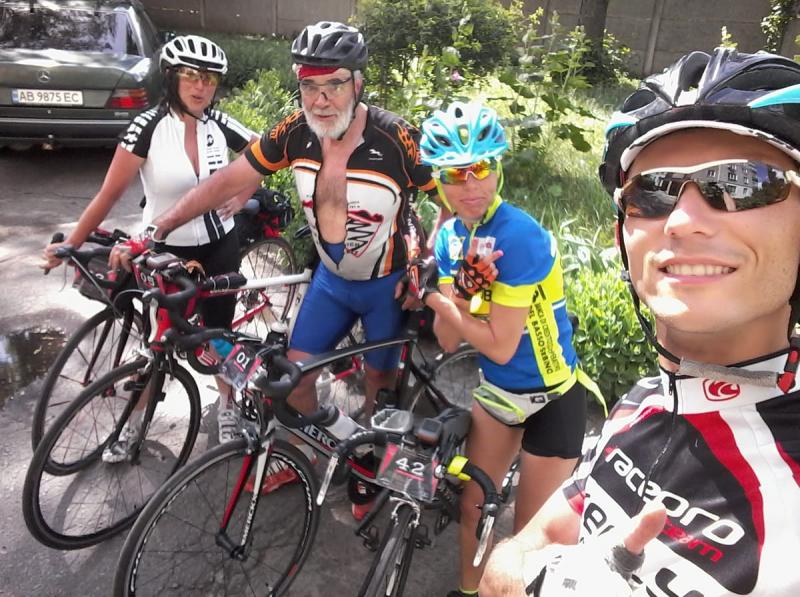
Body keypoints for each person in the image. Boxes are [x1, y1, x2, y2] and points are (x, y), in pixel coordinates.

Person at [479, 47, 800, 597]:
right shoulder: (645, 400)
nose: (683, 221)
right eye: (652, 194)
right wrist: (543, 579)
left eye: (745, 182)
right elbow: (514, 555)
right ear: (622, 237)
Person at [116, 22, 440, 503]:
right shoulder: (295, 133)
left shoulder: (397, 137)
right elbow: (227, 180)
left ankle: (369, 463)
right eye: (309, 85)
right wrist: (156, 229)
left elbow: (451, 204)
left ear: (358, 83)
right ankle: (310, 453)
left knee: (379, 383)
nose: (321, 99)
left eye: (334, 85)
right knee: (292, 382)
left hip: (384, 287)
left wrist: (430, 260)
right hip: (330, 284)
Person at [410, 101, 599, 597]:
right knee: (473, 510)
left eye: (482, 167)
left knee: (529, 539)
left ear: (498, 168)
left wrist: (439, 298)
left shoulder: (520, 237)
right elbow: (448, 340)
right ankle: (469, 592)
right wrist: (460, 296)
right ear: (438, 180)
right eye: (456, 173)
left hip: (553, 396)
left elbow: (498, 345)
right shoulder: (451, 239)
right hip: (499, 393)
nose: (471, 185)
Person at [42, 34, 260, 451]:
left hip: (219, 244)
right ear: (171, 78)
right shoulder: (148, 127)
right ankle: (135, 420)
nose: (201, 86)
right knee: (155, 341)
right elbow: (108, 195)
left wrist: (243, 195)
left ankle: (228, 405)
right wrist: (70, 243)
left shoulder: (219, 123)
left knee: (220, 331)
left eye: (210, 78)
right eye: (191, 75)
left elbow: (262, 152)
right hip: (164, 252)